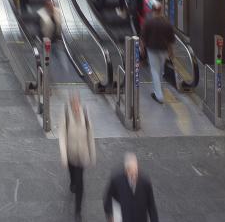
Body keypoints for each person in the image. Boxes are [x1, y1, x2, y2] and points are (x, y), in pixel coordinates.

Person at [59, 92, 96, 220]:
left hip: (82, 154)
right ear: (70, 104)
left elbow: (90, 135)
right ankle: (72, 181)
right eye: (73, 104)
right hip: (71, 153)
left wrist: (93, 154)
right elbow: (62, 136)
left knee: (80, 182)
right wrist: (64, 155)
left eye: (77, 104)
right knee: (73, 175)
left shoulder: (85, 113)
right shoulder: (66, 114)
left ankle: (78, 211)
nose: (75, 107)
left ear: (79, 103)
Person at [102, 152, 159, 222]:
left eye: (136, 171)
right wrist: (110, 215)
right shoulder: (116, 180)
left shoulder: (145, 182)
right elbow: (108, 198)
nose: (134, 176)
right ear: (126, 171)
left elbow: (151, 205)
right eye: (131, 173)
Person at [141, 11, 175, 104]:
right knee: (160, 70)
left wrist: (142, 49)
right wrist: (171, 52)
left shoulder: (148, 22)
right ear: (161, 11)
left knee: (155, 71)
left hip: (152, 49)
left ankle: (159, 95)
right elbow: (171, 40)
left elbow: (143, 37)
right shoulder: (167, 23)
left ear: (153, 11)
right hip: (163, 50)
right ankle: (159, 90)